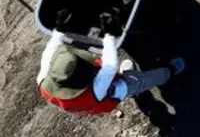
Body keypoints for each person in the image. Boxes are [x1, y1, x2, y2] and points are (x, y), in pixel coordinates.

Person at [37, 28, 185, 115]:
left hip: (94, 92)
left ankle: (129, 80)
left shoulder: (44, 80)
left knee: (113, 76)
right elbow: (110, 66)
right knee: (136, 82)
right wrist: (109, 35)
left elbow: (48, 53)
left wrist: (59, 30)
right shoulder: (95, 91)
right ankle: (169, 72)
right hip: (112, 93)